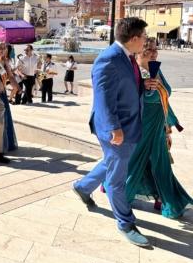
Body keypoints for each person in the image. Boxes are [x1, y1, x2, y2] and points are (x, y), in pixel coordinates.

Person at [72, 17, 158, 247]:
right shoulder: (108, 59)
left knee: (112, 163)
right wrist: (114, 128)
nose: (146, 45)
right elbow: (102, 98)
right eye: (144, 39)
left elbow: (127, 89)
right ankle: (125, 223)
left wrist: (145, 86)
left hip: (129, 126)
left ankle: (82, 187)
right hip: (116, 129)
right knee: (117, 178)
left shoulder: (128, 58)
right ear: (134, 38)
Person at [126, 39, 193, 218]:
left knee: (161, 161)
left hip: (157, 123)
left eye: (156, 50)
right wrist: (142, 88)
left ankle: (166, 199)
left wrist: (168, 121)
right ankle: (115, 189)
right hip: (142, 124)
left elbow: (165, 96)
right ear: (139, 50)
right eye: (149, 49)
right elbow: (124, 98)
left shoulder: (157, 69)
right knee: (136, 160)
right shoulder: (133, 72)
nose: (155, 53)